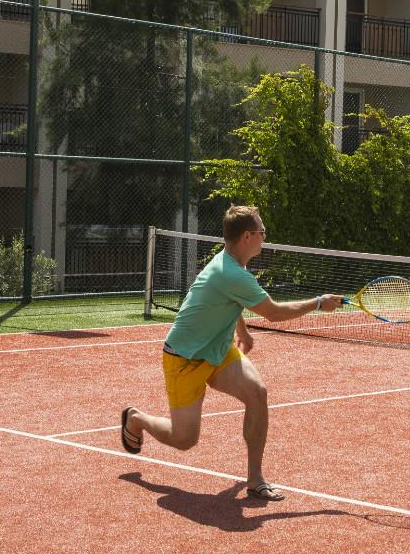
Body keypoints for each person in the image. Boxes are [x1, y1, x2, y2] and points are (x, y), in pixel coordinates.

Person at [119, 206, 342, 501]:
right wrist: (317, 303)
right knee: (184, 440)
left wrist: (242, 331)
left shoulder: (235, 265)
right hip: (184, 358)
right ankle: (136, 419)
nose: (264, 237)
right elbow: (273, 313)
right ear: (248, 236)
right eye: (262, 232)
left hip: (219, 349)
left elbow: (232, 300)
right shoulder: (233, 273)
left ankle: (255, 479)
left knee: (257, 392)